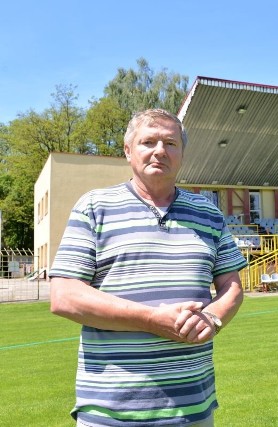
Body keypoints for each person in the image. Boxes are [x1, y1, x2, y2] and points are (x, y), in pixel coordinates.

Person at [50, 108, 247, 426]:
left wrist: (214, 318)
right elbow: (64, 296)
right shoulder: (95, 207)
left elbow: (232, 287)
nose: (160, 151)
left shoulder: (208, 213)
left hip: (193, 408)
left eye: (171, 143)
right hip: (112, 411)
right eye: (149, 141)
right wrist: (153, 320)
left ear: (182, 154)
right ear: (128, 151)